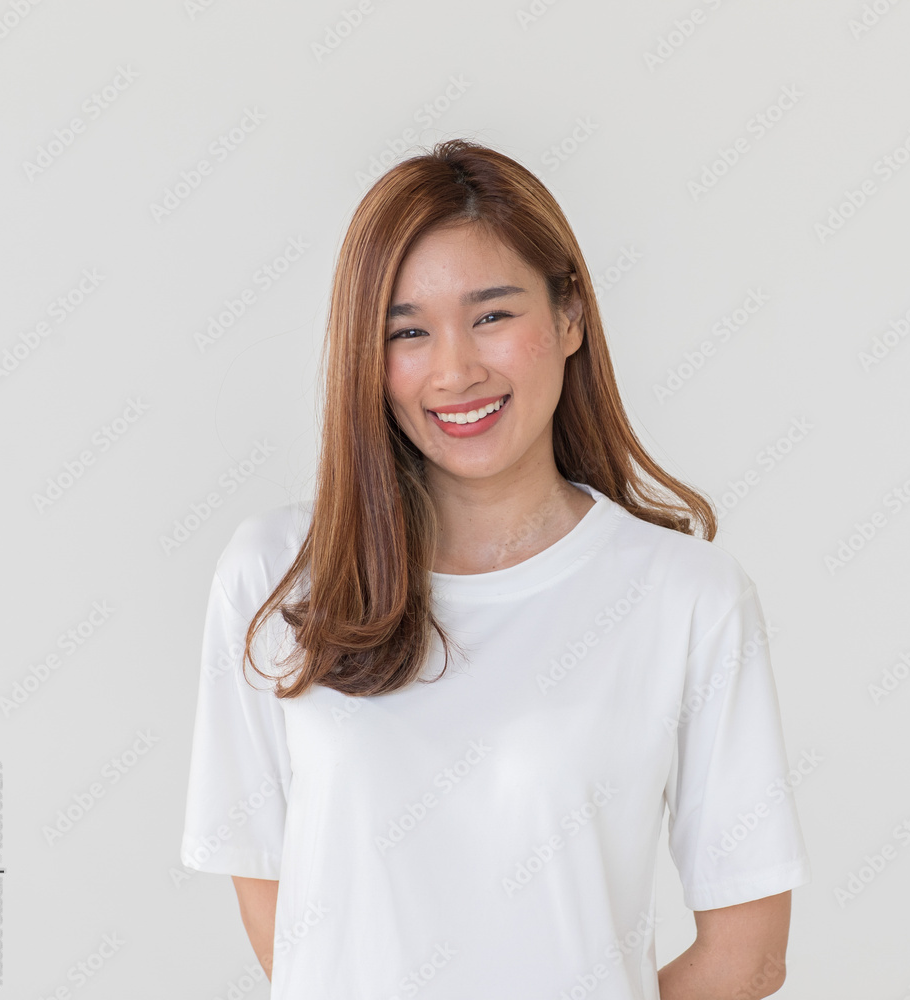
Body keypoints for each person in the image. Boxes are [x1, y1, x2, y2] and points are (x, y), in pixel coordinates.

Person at [180, 137, 811, 999]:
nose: (455, 369)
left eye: (492, 315)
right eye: (407, 331)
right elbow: (284, 925)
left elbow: (748, 956)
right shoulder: (277, 580)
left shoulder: (688, 600)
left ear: (570, 317)